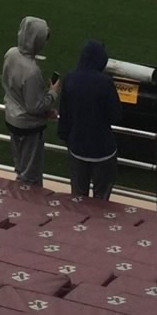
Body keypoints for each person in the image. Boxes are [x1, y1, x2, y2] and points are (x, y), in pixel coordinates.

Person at [57, 39, 121, 200]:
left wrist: (67, 138)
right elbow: (116, 116)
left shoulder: (70, 78)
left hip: (77, 148)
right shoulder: (105, 82)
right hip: (103, 150)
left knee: (78, 201)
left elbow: (64, 115)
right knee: (101, 202)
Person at [4, 17, 60, 187]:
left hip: (11, 117)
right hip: (28, 126)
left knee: (20, 168)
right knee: (31, 175)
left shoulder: (11, 53)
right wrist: (53, 93)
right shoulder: (32, 71)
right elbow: (34, 106)